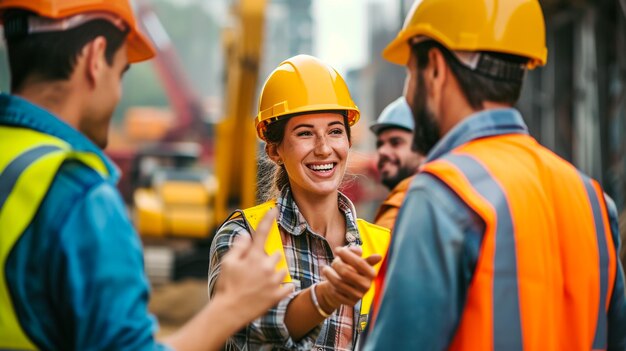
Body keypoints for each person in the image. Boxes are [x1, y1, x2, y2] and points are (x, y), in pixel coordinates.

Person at [0, 1, 291, 350]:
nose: (118, 92)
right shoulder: (79, 196)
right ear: (95, 59)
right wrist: (230, 307)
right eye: (121, 72)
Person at [363, 0, 626, 350]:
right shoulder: (592, 200)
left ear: (437, 69)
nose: (408, 94)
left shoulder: (442, 195)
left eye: (411, 72)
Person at [208, 54, 391, 350]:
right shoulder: (244, 237)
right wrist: (324, 298)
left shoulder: (383, 246)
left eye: (334, 131)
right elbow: (240, 328)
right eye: (305, 133)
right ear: (274, 150)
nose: (323, 148)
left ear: (348, 142)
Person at [370, 97, 423, 230]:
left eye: (395, 142)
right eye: (380, 144)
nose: (382, 151)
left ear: (424, 147)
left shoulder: (421, 203)